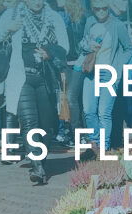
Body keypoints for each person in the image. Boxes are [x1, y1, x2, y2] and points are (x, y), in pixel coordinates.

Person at [0, 0, 67, 183]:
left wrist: (50, 53)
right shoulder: (13, 14)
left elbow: (65, 46)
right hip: (21, 78)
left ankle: (40, 158)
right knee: (28, 121)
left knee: (47, 125)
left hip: (46, 78)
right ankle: (37, 167)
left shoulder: (54, 18)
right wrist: (7, 28)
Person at [79, 0, 132, 150]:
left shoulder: (117, 25)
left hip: (109, 73)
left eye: (104, 8)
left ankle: (103, 148)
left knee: (104, 113)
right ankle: (96, 143)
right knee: (88, 110)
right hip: (91, 71)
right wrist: (87, 45)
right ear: (92, 9)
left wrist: (117, 67)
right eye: (97, 9)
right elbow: (82, 44)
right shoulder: (90, 22)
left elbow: (128, 48)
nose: (101, 12)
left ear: (109, 8)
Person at [58, 0, 87, 146]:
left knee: (71, 98)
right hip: (67, 64)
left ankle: (77, 134)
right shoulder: (64, 17)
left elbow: (82, 42)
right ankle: (75, 133)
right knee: (72, 100)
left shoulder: (80, 18)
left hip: (78, 63)